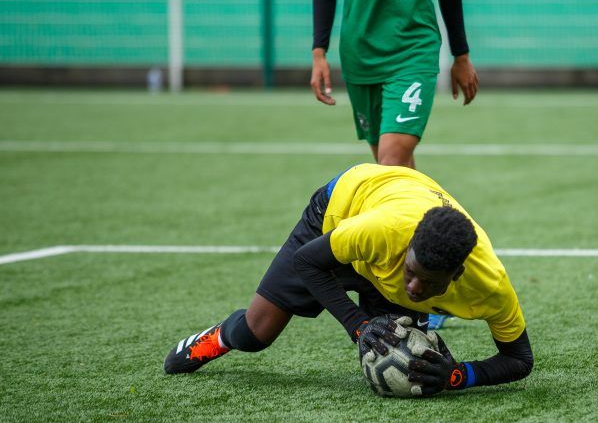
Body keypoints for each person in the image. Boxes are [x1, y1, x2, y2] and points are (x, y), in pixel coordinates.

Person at [164, 164, 533, 396]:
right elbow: (307, 261)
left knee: (409, 359)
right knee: (256, 334)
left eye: (429, 284)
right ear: (407, 249)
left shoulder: (490, 286)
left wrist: (459, 375)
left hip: (389, 226)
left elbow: (519, 359)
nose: (414, 288)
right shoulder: (382, 231)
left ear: (457, 275)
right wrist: (359, 326)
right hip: (341, 208)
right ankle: (218, 337)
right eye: (411, 272)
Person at [310, 0, 478, 170]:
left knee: (391, 162)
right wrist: (318, 52)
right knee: (397, 171)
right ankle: (414, 198)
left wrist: (461, 54)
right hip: (359, 55)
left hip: (413, 49)